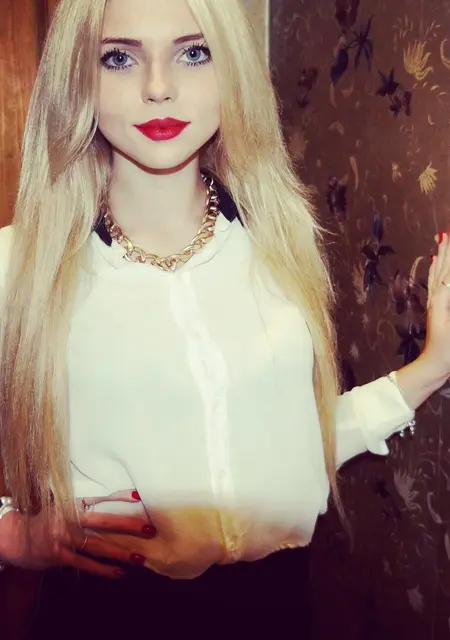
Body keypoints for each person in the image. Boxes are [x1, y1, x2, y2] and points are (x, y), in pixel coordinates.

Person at [0, 0, 449, 636]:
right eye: (119, 58)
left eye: (194, 52)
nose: (159, 87)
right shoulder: (18, 266)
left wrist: (433, 366)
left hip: (276, 607)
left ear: (231, 67)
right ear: (78, 77)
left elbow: (292, 444)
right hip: (106, 612)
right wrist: (12, 534)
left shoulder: (281, 242)